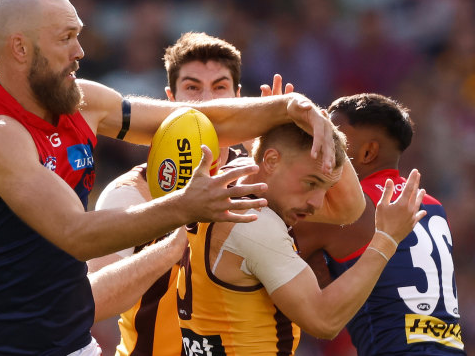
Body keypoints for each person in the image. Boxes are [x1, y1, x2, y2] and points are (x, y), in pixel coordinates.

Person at [0, 0, 337, 356]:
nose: (80, 50)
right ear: (20, 49)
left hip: (75, 345)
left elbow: (191, 118)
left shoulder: (83, 102)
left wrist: (287, 108)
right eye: (65, 38)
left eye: (78, 34)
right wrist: (184, 207)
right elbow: (76, 234)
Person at [88, 32, 302, 355]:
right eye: (191, 88)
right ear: (168, 102)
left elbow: (339, 223)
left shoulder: (262, 181)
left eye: (219, 88)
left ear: (240, 100)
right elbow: (91, 302)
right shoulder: (130, 193)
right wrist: (177, 230)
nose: (206, 102)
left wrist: (281, 160)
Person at [176, 121, 426, 355]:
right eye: (311, 183)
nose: (318, 203)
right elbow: (324, 320)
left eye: (326, 189)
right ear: (271, 160)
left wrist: (309, 122)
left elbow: (348, 210)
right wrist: (386, 240)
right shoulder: (254, 225)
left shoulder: (231, 174)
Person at [293, 94, 466, 355]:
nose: (318, 147)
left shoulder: (344, 210)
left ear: (368, 152)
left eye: (334, 139)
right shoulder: (433, 206)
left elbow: (266, 262)